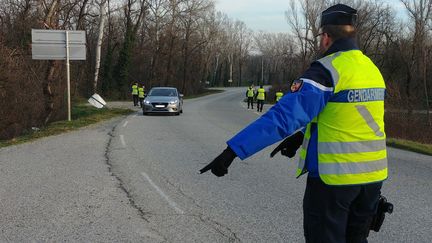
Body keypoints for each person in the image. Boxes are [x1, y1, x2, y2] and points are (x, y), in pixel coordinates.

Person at [200, 4, 388, 243]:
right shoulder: (371, 69)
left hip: (335, 182)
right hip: (372, 181)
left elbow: (282, 117)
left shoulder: (328, 70)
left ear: (327, 37)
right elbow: (351, 117)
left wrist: (233, 151)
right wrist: (302, 136)